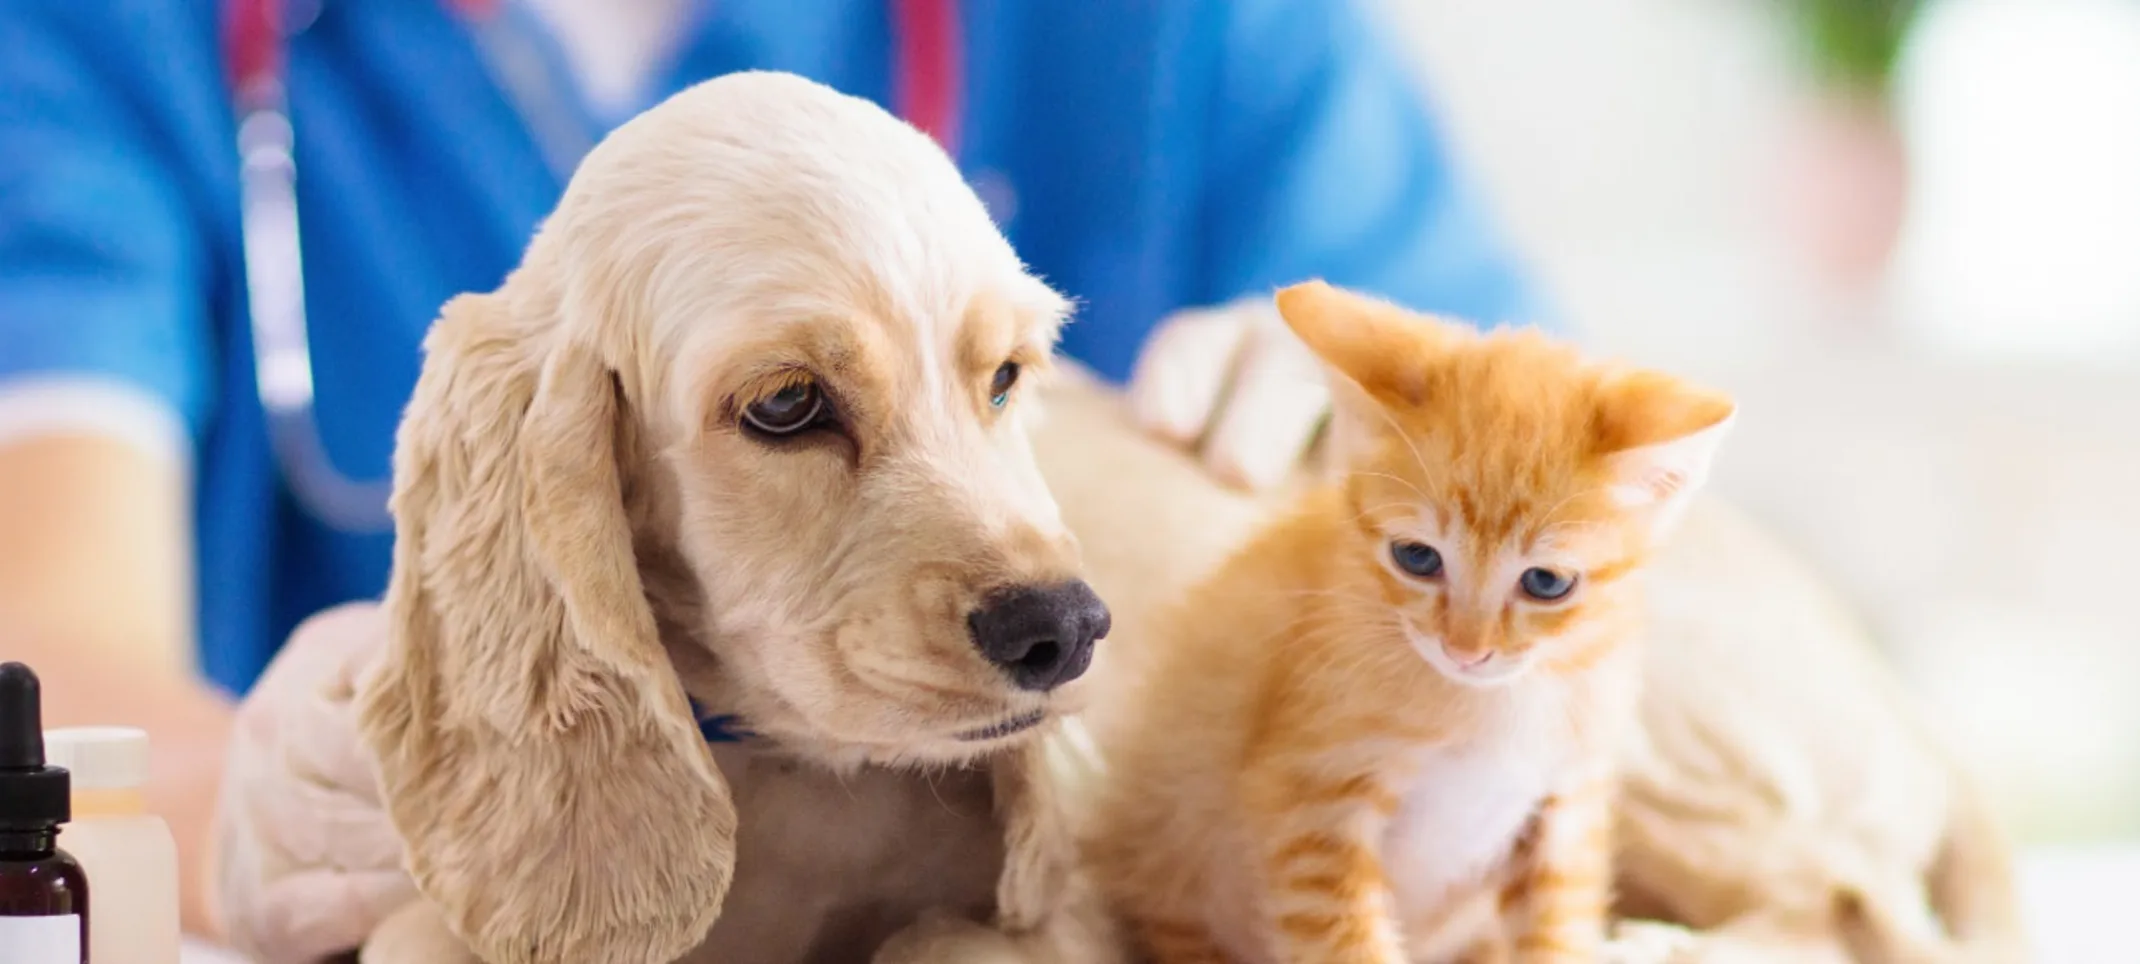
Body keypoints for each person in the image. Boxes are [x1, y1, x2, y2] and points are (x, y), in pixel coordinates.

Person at [0, 0, 1544, 948]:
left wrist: (1438, 483)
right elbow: (43, 659)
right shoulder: (100, 34)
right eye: (795, 402)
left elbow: (1637, 507)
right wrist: (239, 812)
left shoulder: (1194, 28)